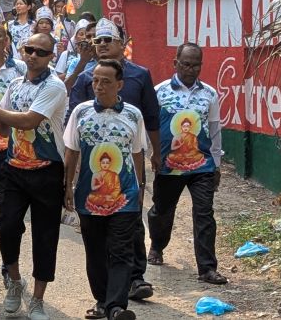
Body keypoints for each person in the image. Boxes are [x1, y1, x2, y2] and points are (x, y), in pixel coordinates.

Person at [0, 33, 68, 320]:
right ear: (22, 50)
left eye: (41, 52)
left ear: (51, 56)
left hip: (47, 169)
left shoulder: (55, 87)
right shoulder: (15, 84)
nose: (33, 55)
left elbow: (30, 120)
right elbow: (3, 130)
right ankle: (15, 282)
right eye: (29, 49)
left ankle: (37, 300)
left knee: (45, 235)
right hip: (14, 167)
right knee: (6, 227)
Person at [68, 18, 159, 303]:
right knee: (96, 243)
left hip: (127, 174)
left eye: (108, 40)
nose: (103, 45)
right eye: (98, 41)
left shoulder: (140, 76)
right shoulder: (84, 80)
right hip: (91, 177)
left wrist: (153, 160)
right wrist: (71, 182)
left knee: (130, 229)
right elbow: (74, 137)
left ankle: (136, 278)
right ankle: (105, 297)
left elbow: (151, 119)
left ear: (122, 44)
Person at [64, 59, 147, 320]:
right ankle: (102, 300)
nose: (98, 86)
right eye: (95, 81)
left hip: (125, 197)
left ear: (119, 84)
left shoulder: (133, 115)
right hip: (88, 197)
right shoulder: (81, 112)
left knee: (122, 251)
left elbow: (137, 155)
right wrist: (67, 186)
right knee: (96, 249)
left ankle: (115, 307)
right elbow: (72, 151)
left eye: (105, 81)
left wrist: (141, 188)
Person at [148, 43, 228, 285]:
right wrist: (152, 154)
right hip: (169, 165)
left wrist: (216, 164)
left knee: (204, 214)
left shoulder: (209, 94)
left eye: (196, 65)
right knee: (162, 210)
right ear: (175, 63)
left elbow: (214, 131)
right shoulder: (159, 92)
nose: (191, 69)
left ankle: (207, 268)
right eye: (186, 64)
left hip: (201, 165)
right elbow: (150, 128)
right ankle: (157, 246)